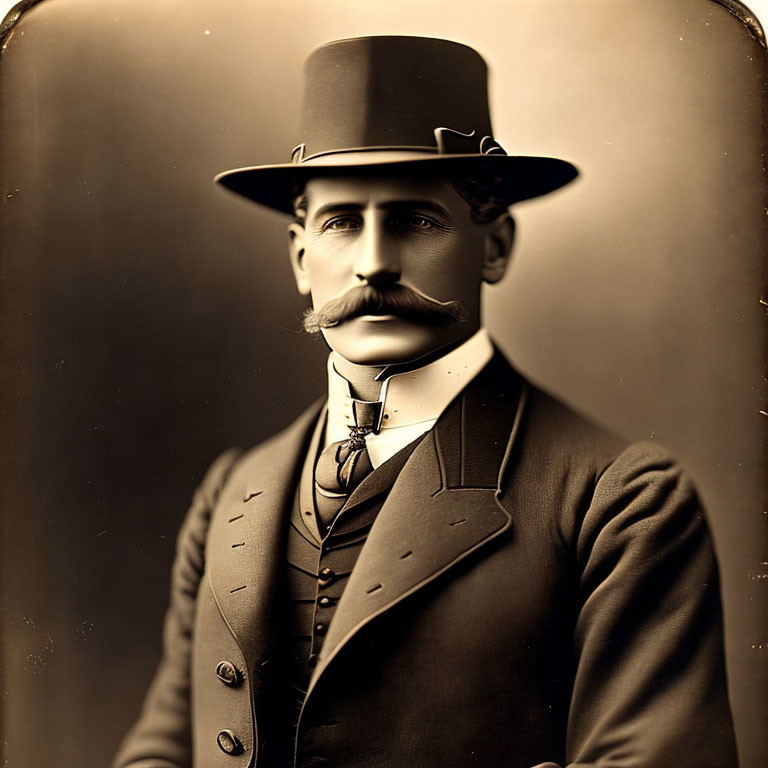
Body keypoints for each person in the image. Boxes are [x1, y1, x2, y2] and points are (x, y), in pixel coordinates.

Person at [113, 35, 738, 768]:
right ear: (299, 258)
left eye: (416, 221)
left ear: (496, 246)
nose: (375, 261)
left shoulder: (618, 501)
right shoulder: (231, 491)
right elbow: (163, 745)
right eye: (341, 222)